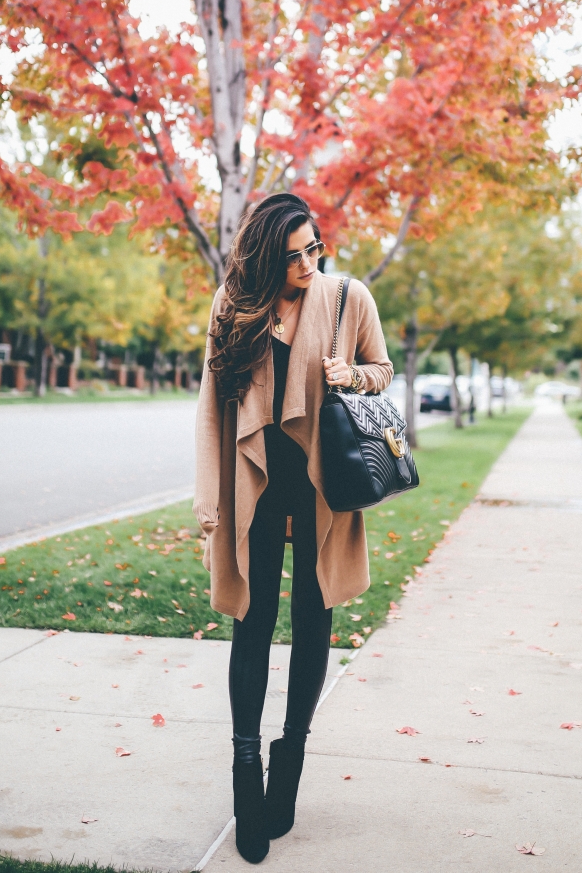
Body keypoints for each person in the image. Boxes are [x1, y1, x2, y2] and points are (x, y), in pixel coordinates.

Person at [193, 192, 393, 864]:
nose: (309, 261)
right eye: (294, 255)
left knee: (312, 620)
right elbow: (211, 407)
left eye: (315, 248)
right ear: (265, 258)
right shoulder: (233, 305)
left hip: (321, 488)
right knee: (252, 619)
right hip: (255, 484)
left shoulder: (345, 298)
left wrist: (351, 375)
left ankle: (291, 758)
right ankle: (245, 775)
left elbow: (382, 371)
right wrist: (207, 498)